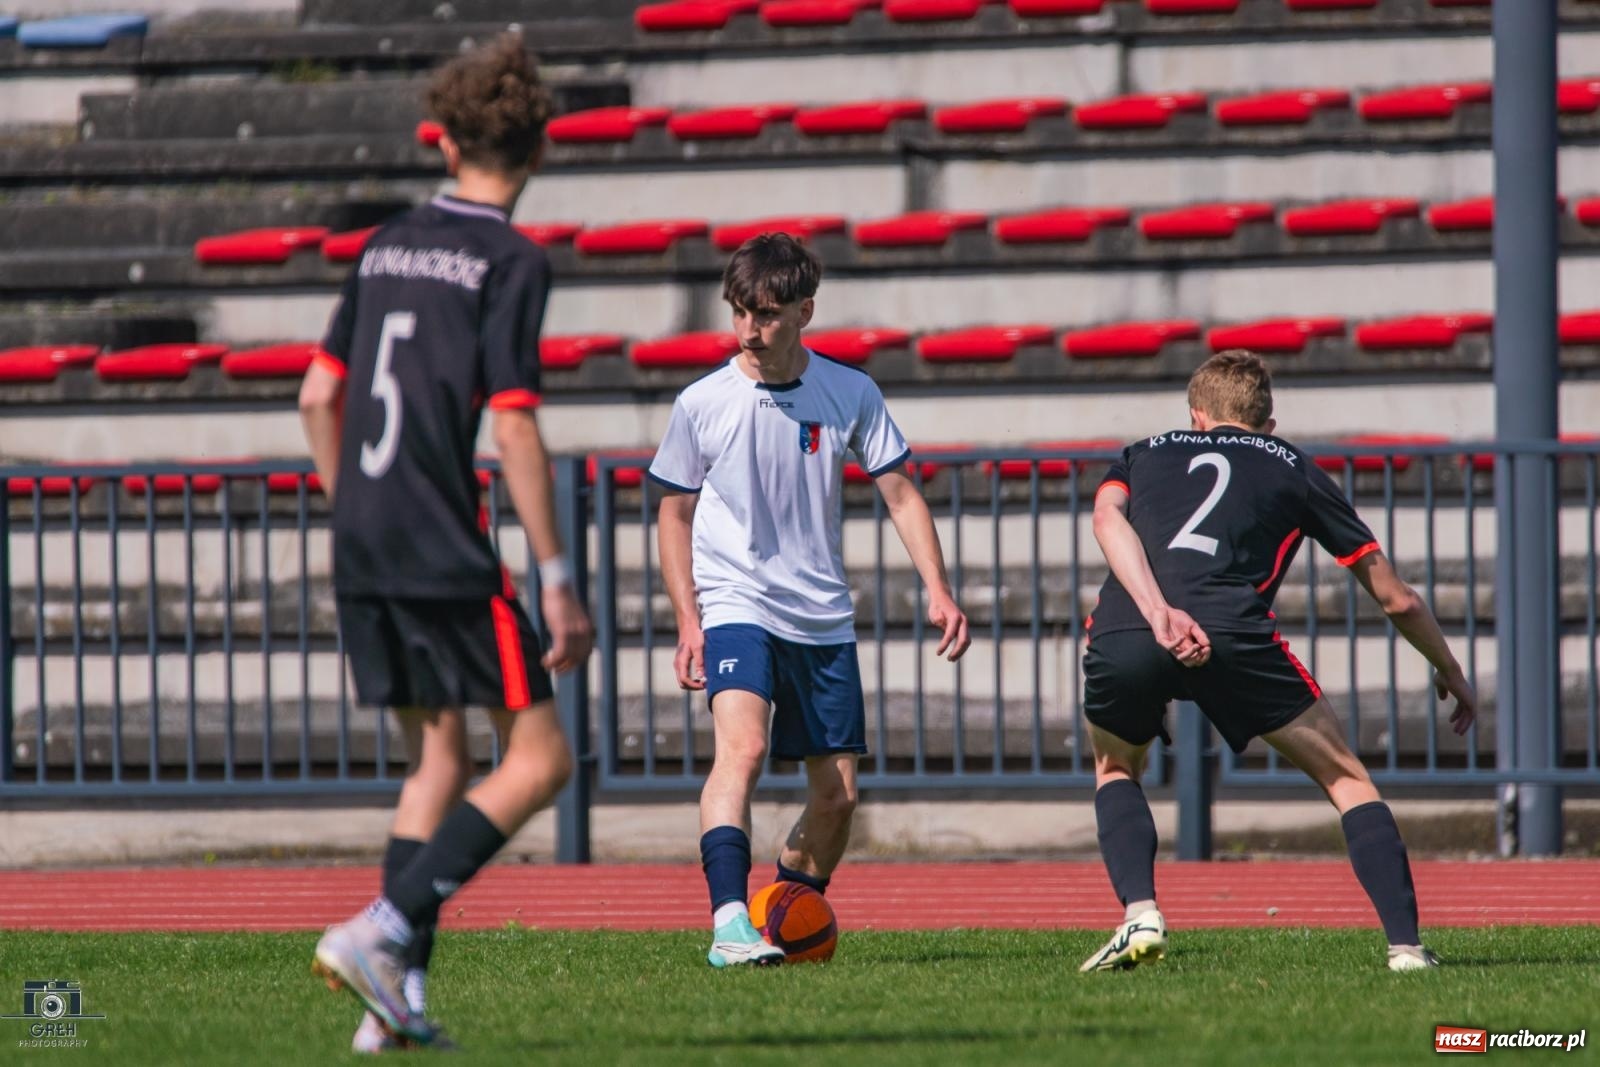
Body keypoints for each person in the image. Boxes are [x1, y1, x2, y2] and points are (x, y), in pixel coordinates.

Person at [296, 33, 592, 1049]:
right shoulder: (509, 257)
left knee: (436, 756)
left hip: (362, 530)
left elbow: (318, 392)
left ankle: (395, 1005)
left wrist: (354, 507)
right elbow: (511, 418)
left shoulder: (383, 245)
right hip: (437, 536)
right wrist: (557, 577)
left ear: (445, 139)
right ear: (538, 149)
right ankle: (380, 927)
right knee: (541, 755)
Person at [1077, 350, 1476, 974]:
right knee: (1347, 780)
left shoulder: (1141, 451)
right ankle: (1405, 949)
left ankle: (1141, 914)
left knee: (1115, 767)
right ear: (1266, 422)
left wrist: (1157, 611)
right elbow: (1394, 597)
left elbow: (1105, 518)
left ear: (1196, 414)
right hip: (1231, 631)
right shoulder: (1295, 466)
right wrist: (1449, 667)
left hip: (1129, 627)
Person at [648, 233, 972, 967]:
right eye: (739, 313)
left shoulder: (850, 391)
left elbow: (900, 492)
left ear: (804, 311)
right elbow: (673, 514)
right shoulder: (702, 402)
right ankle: (731, 922)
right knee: (746, 746)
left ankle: (782, 914)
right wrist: (690, 619)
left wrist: (939, 589)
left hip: (821, 613)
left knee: (837, 799)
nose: (750, 331)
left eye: (765, 315)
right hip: (736, 600)